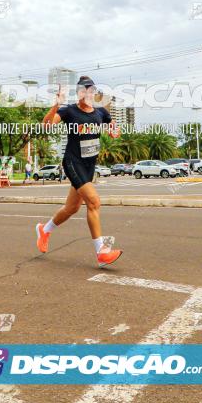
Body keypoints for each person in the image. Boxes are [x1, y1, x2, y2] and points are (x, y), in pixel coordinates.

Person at [35, 76, 122, 267]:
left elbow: (113, 126)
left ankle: (44, 230)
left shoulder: (101, 113)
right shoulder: (69, 111)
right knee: (94, 202)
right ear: (79, 92)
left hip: (89, 165)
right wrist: (56, 105)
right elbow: (46, 125)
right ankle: (101, 252)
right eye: (85, 90)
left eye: (92, 90)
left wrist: (114, 130)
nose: (88, 93)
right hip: (73, 162)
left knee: (72, 208)